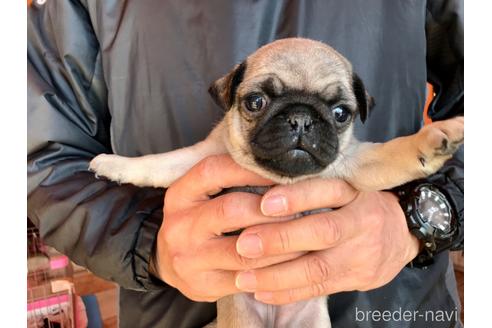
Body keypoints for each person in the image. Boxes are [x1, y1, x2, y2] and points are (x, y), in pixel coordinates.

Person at [27, 1, 464, 327]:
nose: (299, 125)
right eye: (259, 101)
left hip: (400, 307)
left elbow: (399, 156)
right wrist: (147, 245)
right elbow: (36, 149)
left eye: (335, 113)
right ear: (228, 97)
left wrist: (417, 221)